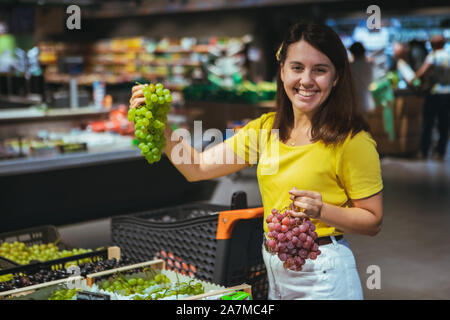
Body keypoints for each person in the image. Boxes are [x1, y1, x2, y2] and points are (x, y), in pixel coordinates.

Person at [129, 22, 383, 300]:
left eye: (320, 70)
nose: (306, 80)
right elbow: (196, 168)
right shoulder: (264, 130)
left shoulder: (352, 141)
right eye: (297, 68)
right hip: (275, 272)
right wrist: (159, 123)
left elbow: (372, 221)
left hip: (325, 274)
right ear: (283, 71)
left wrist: (322, 211)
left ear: (335, 78)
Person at [414, 35, 449, 161]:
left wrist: (414, 77)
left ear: (432, 45)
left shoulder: (433, 56)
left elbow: (422, 72)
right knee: (444, 124)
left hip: (434, 93)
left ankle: (424, 151)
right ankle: (440, 152)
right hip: (447, 94)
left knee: (428, 123)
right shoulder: (448, 55)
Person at [349, 41, 375, 115]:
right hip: (367, 102)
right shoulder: (369, 66)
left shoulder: (350, 67)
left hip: (352, 104)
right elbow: (372, 81)